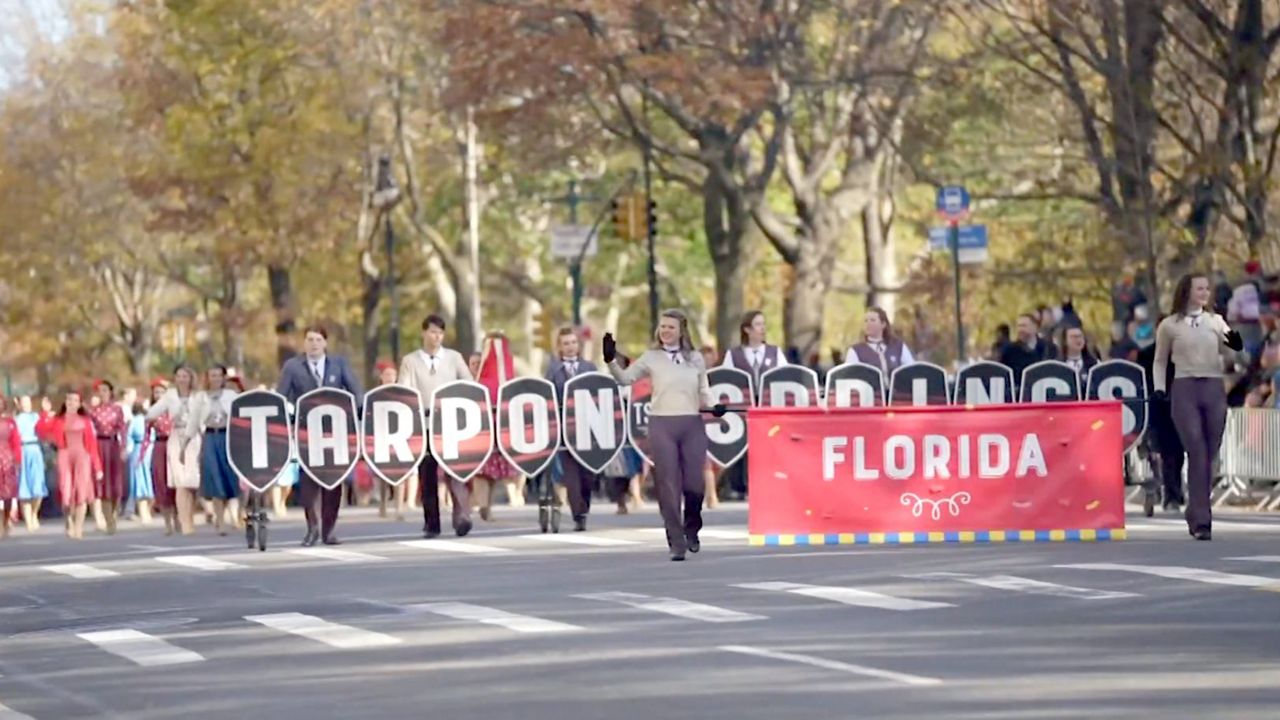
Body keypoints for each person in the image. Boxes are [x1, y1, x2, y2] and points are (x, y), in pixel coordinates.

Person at [604, 309, 715, 561]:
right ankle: (676, 541)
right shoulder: (651, 358)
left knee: (694, 485)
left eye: (671, 327)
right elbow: (625, 379)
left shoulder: (695, 358)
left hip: (691, 423)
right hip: (661, 424)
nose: (665, 331)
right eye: (662, 326)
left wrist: (713, 406)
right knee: (668, 485)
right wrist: (610, 360)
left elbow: (704, 389)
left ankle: (692, 527)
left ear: (681, 331)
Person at [1153, 273, 1244, 541]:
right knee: (1196, 449)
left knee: (1210, 452)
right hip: (1185, 388)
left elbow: (1233, 351)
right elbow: (1160, 361)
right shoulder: (1170, 325)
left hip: (1213, 387)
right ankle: (1203, 520)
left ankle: (1195, 508)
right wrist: (1160, 388)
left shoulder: (1216, 322)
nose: (1204, 293)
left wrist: (1236, 345)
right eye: (1199, 288)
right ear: (1187, 291)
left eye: (1207, 288)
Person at [277, 324, 364, 546]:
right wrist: (290, 418)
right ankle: (312, 527)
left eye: (317, 340)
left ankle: (329, 529)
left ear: (325, 343)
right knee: (308, 482)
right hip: (307, 432)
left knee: (334, 481)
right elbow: (281, 397)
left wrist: (357, 417)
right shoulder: (293, 367)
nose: (313, 344)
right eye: (309, 340)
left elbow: (356, 392)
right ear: (303, 343)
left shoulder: (339, 364)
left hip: (336, 431)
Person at [398, 314, 473, 538]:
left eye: (440, 333)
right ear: (424, 333)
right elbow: (405, 390)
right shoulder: (410, 361)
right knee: (427, 475)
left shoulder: (454, 358)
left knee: (455, 471)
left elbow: (468, 383)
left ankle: (462, 516)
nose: (436, 337)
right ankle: (432, 523)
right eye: (432, 332)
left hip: (450, 423)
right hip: (423, 424)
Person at [546, 327, 599, 531]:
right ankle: (578, 513)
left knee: (587, 473)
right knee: (571, 473)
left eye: (573, 342)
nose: (570, 347)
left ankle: (584, 506)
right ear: (559, 347)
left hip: (588, 427)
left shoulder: (589, 367)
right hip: (564, 429)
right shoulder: (553, 370)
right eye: (566, 343)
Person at [36, 389, 103, 540]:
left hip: (82, 455)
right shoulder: (58, 420)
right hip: (64, 454)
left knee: (81, 492)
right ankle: (68, 520)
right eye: (69, 400)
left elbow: (92, 445)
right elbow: (40, 430)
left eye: (74, 400)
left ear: (79, 404)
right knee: (66, 491)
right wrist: (45, 414)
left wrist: (98, 467)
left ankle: (78, 527)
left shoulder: (85, 421)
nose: (71, 403)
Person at [147, 367, 201, 535]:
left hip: (193, 436)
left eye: (185, 376)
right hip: (176, 436)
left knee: (191, 483)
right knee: (178, 482)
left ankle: (189, 518)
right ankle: (183, 523)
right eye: (178, 376)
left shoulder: (198, 396)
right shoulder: (170, 396)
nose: (182, 379)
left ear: (191, 378)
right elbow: (151, 413)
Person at [1138, 323, 1186, 513]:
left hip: (1180, 406)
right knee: (1163, 452)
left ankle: (1175, 490)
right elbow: (1144, 381)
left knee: (1178, 452)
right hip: (1157, 407)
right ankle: (1168, 493)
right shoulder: (1147, 354)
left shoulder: (1182, 354)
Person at [190, 365, 239, 535]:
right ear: (207, 377)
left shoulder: (231, 396)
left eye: (219, 375)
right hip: (210, 437)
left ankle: (234, 515)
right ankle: (220, 519)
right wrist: (186, 444)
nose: (216, 379)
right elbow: (194, 421)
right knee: (215, 477)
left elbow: (240, 417)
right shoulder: (201, 397)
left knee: (230, 476)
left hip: (228, 437)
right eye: (212, 375)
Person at [89, 380, 127, 534]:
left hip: (113, 446)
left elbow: (122, 429)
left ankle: (114, 514)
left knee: (116, 483)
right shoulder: (93, 411)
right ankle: (108, 520)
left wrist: (124, 447)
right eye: (100, 391)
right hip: (99, 446)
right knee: (103, 485)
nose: (102, 393)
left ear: (111, 392)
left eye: (105, 390)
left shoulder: (117, 409)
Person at [721, 310, 787, 387]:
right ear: (747, 329)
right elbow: (726, 382)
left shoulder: (775, 353)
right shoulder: (733, 355)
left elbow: (785, 378)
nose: (763, 328)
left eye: (763, 324)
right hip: (744, 398)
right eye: (758, 324)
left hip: (769, 397)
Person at [845, 306, 915, 376]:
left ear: (883, 324)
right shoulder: (856, 351)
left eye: (872, 320)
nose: (868, 324)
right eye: (865, 321)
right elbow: (850, 377)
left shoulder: (898, 347)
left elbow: (911, 371)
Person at [15, 396, 48, 532]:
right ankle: (28, 519)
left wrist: (46, 412)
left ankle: (34, 514)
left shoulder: (36, 417)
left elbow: (45, 429)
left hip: (35, 450)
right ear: (20, 405)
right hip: (22, 450)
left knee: (38, 486)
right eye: (23, 403)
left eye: (28, 402)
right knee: (24, 486)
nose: (26, 405)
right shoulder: (16, 420)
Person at [999, 313, 1057, 387]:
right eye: (1018, 326)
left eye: (1024, 326)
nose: (1020, 329)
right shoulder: (1009, 351)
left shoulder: (1049, 348)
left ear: (1035, 327)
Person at [125, 396, 155, 525]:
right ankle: (142, 511)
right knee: (145, 479)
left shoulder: (134, 422)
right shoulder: (147, 421)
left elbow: (128, 439)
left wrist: (127, 451)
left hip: (138, 450)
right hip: (148, 449)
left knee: (138, 480)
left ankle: (134, 510)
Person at [0, 395, 21, 539]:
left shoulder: (9, 422)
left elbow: (16, 442)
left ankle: (7, 519)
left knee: (8, 494)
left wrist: (18, 460)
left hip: (7, 459)